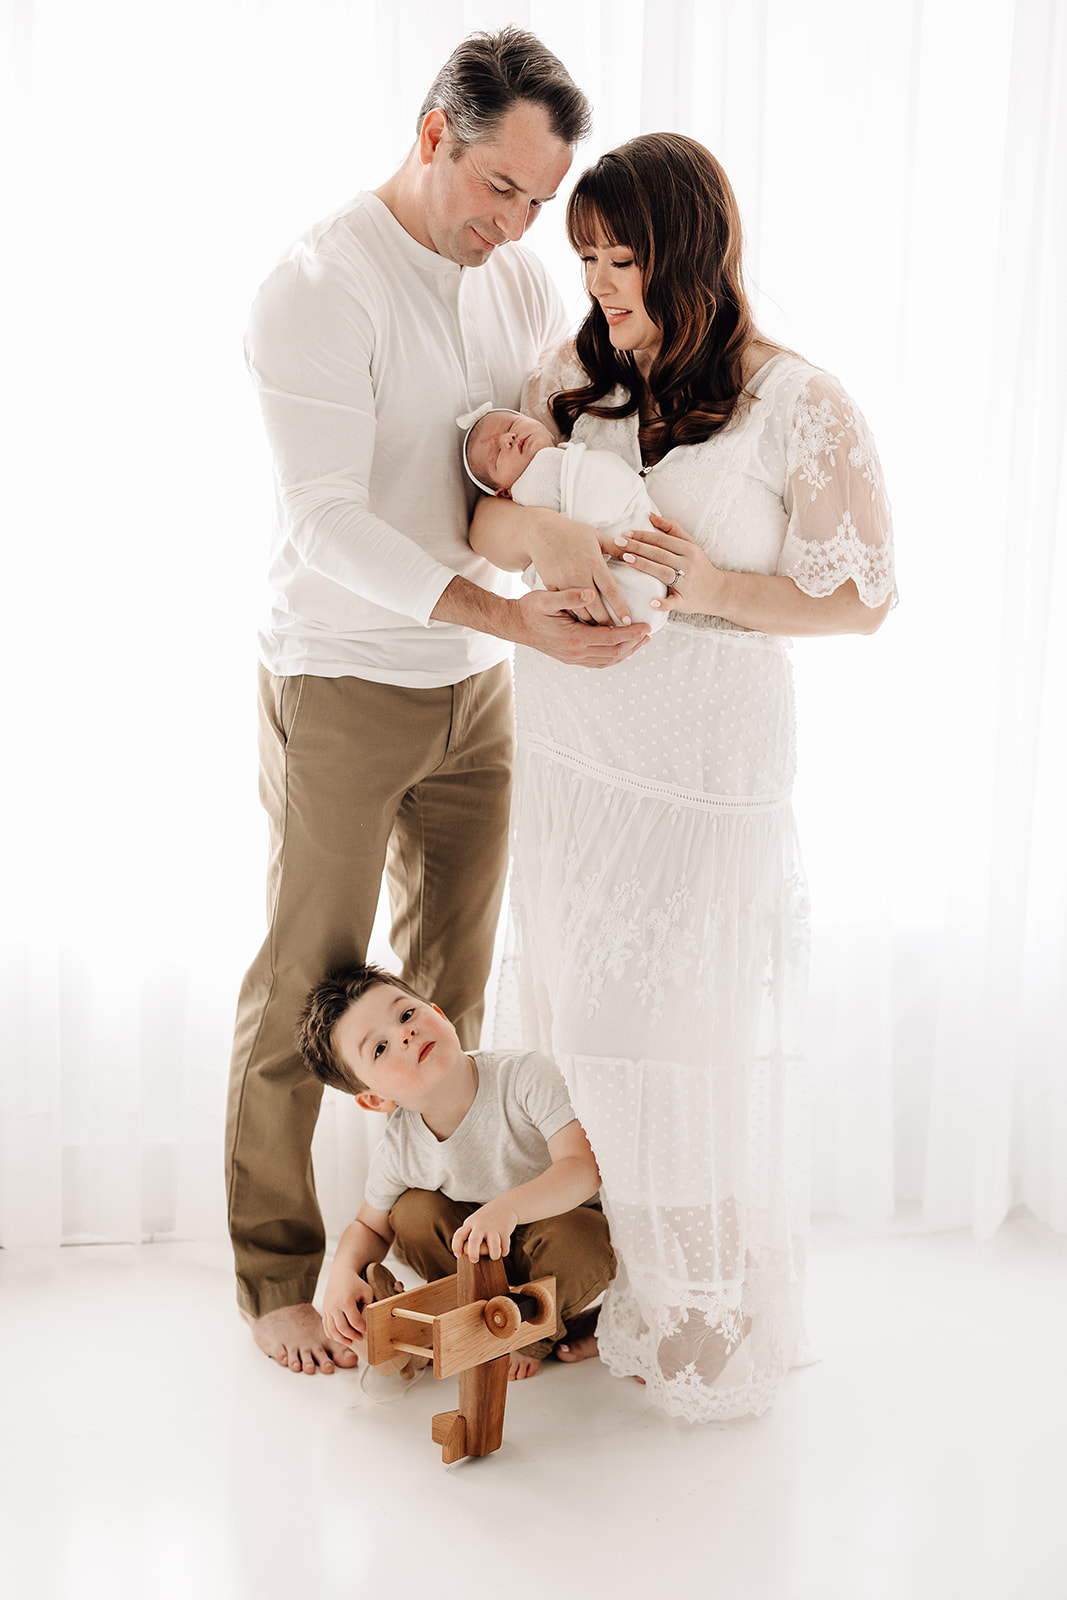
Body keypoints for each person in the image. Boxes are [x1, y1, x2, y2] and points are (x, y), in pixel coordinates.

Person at [227, 29, 649, 1378]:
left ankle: (439, 1256)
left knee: (446, 1004)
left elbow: (518, 460)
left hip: (474, 690)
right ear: (430, 135)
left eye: (538, 199)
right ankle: (279, 1274)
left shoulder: (512, 278)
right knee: (309, 984)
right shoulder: (317, 287)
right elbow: (326, 526)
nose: (516, 224)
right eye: (498, 189)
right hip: (342, 677)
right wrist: (505, 613)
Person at [470, 132, 896, 1421]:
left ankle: (699, 1306)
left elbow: (859, 599)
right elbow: (478, 517)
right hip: (571, 756)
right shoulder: (570, 374)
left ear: (693, 252)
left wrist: (707, 587)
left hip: (699, 771)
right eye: (585, 255)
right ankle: (592, 1287)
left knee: (669, 1033)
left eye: (623, 257)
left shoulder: (796, 399)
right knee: (576, 1028)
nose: (600, 282)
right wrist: (542, 529)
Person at [297, 963, 615, 1380]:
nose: (405, 1035)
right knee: (410, 1211)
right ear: (375, 1100)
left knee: (585, 1240)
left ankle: (529, 1333)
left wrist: (508, 1209)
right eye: (380, 1048)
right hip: (481, 1253)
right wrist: (341, 1275)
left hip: (552, 1235)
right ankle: (474, 1320)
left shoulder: (523, 1076)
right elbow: (369, 1226)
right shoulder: (400, 1144)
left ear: (439, 1014)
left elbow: (582, 1168)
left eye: (407, 1014)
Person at [459, 404, 668, 627]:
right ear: (504, 493)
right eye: (497, 453)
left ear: (548, 431)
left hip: (645, 582)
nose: (508, 439)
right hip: (631, 593)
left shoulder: (571, 456)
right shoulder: (536, 479)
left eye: (512, 425)